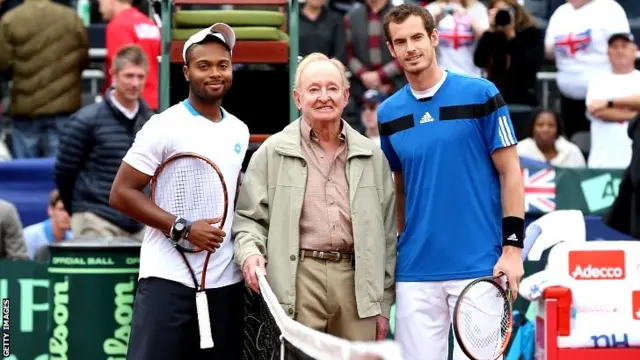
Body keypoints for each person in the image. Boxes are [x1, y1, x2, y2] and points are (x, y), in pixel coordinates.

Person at [378, 4, 525, 359]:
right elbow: (399, 186)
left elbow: (511, 174)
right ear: (391, 50)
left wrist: (513, 250)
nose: (411, 48)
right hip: (415, 272)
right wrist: (401, 243)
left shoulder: (481, 94)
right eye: (401, 41)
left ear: (434, 38)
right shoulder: (388, 114)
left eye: (417, 37)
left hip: (479, 267)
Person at [234, 53, 397, 342]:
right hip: (296, 280)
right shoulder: (272, 151)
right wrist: (250, 254)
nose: (324, 97)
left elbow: (387, 236)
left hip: (357, 286)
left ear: (346, 96)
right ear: (298, 98)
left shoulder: (372, 155)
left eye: (332, 88)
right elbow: (248, 221)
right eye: (314, 89)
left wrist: (383, 304)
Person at [109, 23, 247, 360]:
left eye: (222, 65)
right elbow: (122, 193)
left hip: (224, 284)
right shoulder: (162, 125)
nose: (215, 73)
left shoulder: (239, 131)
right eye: (204, 66)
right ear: (186, 72)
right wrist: (182, 227)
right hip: (166, 281)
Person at [55, 45, 154, 241]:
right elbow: (64, 173)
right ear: (113, 75)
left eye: (140, 76)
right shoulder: (85, 120)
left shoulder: (153, 123)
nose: (135, 83)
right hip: (95, 217)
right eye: (129, 76)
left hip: (140, 222)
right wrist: (77, 208)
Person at [0, 0, 89, 158]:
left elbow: (3, 64)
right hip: (64, 107)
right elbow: (83, 59)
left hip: (25, 109)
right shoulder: (71, 18)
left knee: (26, 174)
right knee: (61, 171)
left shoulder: (10, 19)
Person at [544, 0, 630, 139]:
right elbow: (549, 51)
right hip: (568, 96)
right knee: (574, 144)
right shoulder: (561, 12)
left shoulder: (609, 8)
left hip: (603, 95)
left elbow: (622, 49)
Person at [585, 33, 640, 169]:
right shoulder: (597, 80)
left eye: (624, 46)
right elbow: (597, 111)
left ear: (635, 50)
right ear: (608, 52)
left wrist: (608, 103)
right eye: (614, 46)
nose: (620, 50)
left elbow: (603, 107)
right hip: (603, 162)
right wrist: (636, 115)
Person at [473, 0, 543, 107]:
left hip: (522, 97)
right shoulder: (492, 36)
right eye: (497, 11)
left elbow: (529, 64)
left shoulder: (531, 33)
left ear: (516, 11)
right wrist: (490, 32)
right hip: (495, 97)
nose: (502, 14)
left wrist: (511, 36)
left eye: (505, 10)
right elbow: (479, 61)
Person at [99, 0, 161, 110]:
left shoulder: (118, 25)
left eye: (101, 2)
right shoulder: (149, 23)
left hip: (131, 103)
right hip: (155, 100)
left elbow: (122, 67)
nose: (100, 8)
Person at [426, 0, 489, 78]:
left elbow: (485, 38)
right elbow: (421, 36)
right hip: (441, 74)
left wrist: (467, 17)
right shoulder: (433, 8)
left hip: (471, 73)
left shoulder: (477, 8)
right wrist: (436, 18)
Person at [516, 109, 586, 167]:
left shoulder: (572, 151)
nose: (545, 130)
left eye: (551, 125)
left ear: (558, 129)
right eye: (540, 125)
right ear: (532, 128)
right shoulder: (519, 150)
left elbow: (582, 179)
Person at [23, 189, 72, 260]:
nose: (67, 215)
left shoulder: (73, 239)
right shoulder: (28, 237)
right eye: (62, 209)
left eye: (71, 210)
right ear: (50, 210)